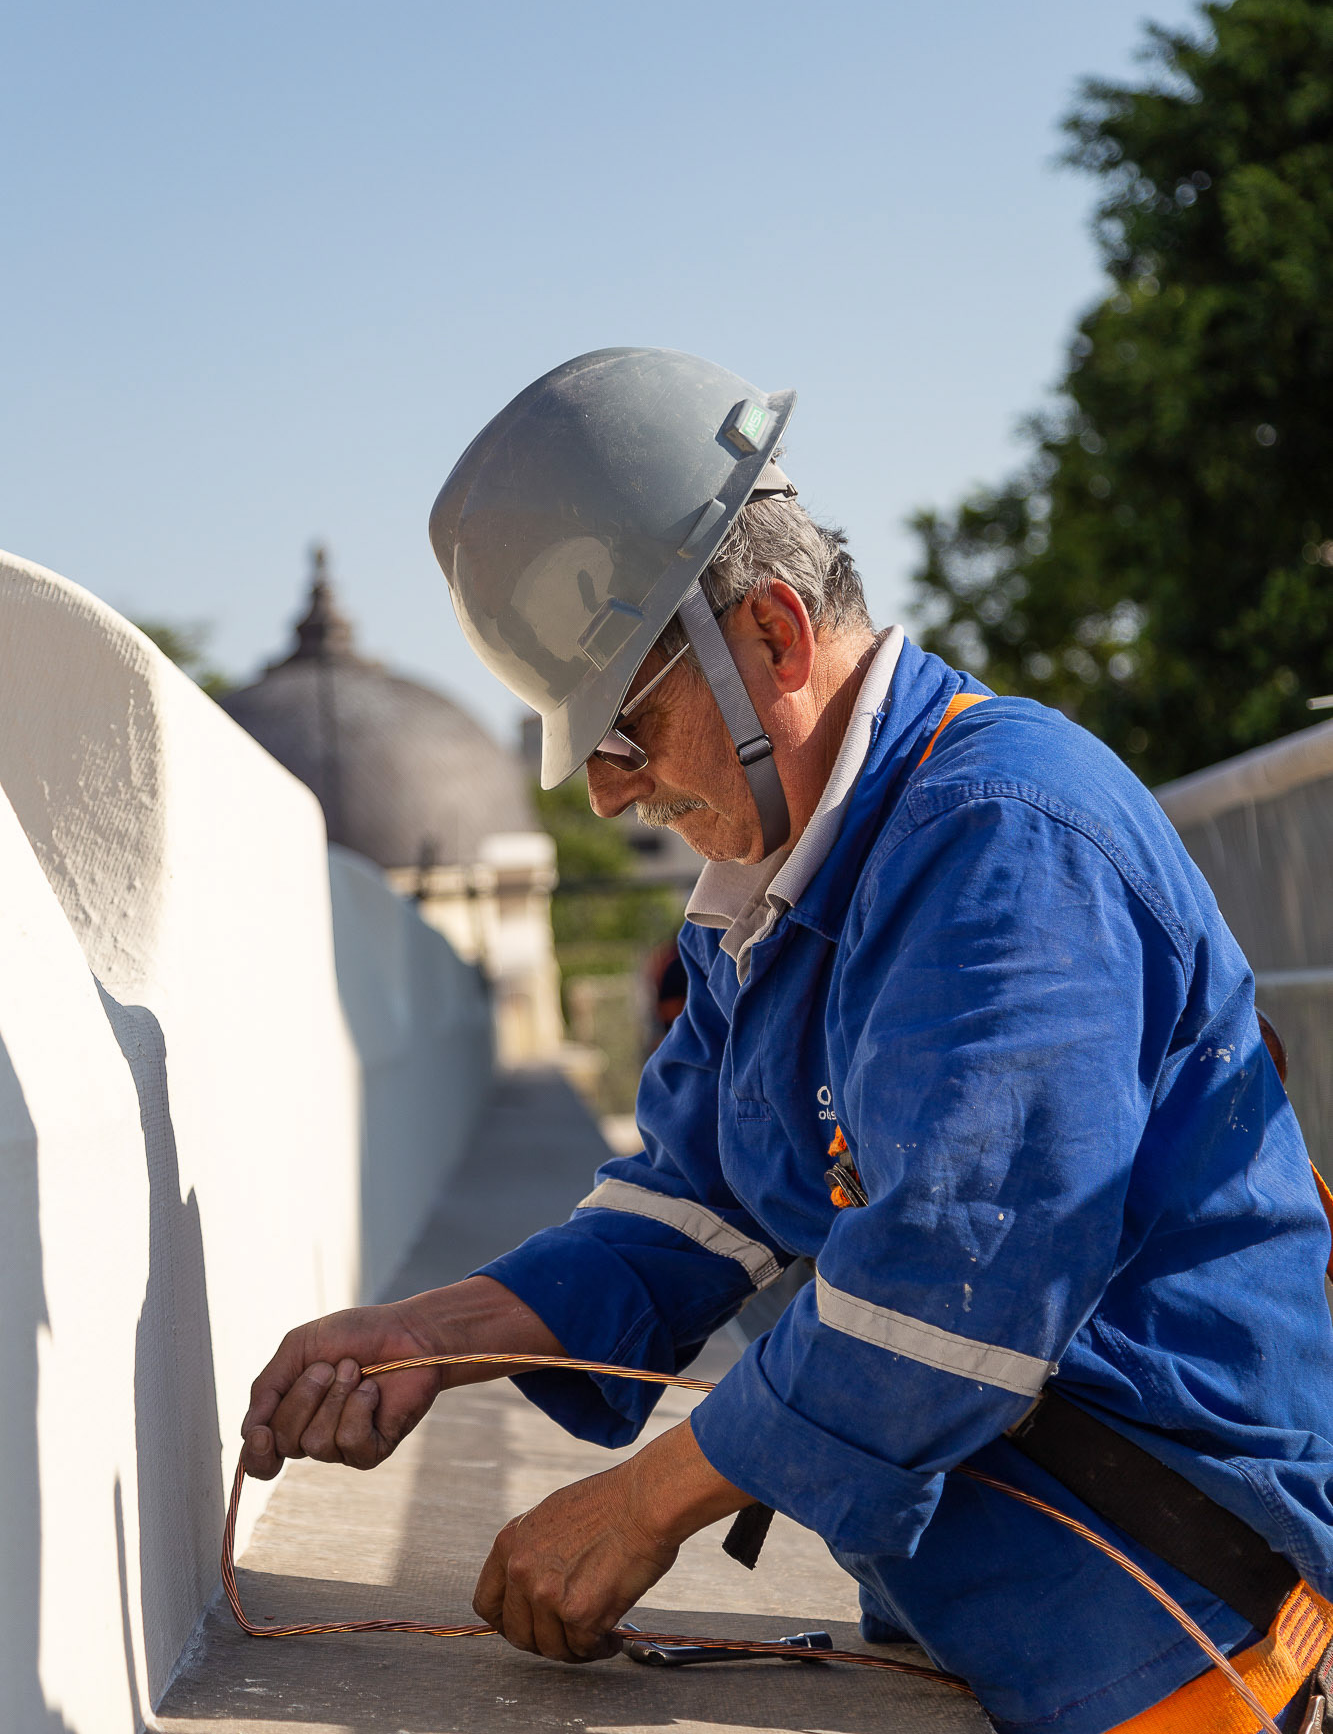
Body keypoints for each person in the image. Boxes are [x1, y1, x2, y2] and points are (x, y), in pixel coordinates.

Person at [242, 348, 1333, 1734]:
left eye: (625, 729)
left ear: (769, 633)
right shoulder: (774, 886)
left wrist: (641, 1507)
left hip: (1169, 1616)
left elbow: (962, 1274)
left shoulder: (1004, 838)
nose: (606, 792)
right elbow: (696, 1197)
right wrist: (428, 1334)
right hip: (1000, 1591)